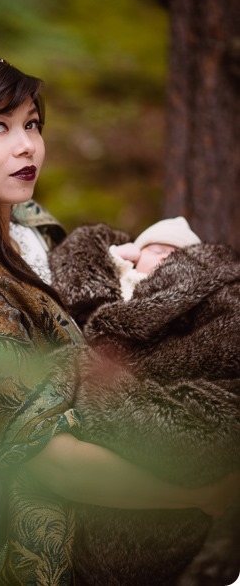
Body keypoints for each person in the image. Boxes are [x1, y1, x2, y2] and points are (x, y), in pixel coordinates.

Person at [0, 52, 237, 586]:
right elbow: (51, 462)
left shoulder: (25, 226)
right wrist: (200, 493)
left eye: (32, 124)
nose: (26, 146)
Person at [49, 219, 240, 585]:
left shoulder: (215, 307)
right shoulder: (98, 281)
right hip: (58, 520)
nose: (163, 258)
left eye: (173, 255)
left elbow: (211, 429)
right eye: (155, 249)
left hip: (145, 536)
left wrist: (89, 378)